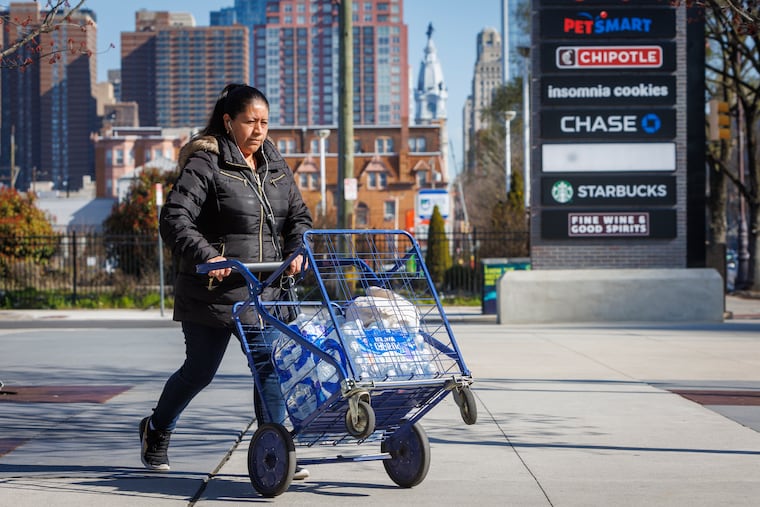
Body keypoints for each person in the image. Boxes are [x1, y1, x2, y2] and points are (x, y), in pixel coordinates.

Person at [139, 84, 313, 479]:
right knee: (200, 371)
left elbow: (298, 217)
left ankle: (278, 447)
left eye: (265, 122)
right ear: (228, 121)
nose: (259, 130)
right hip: (212, 291)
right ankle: (156, 429)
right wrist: (208, 255)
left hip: (263, 287)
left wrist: (297, 249)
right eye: (250, 121)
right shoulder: (207, 162)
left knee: (268, 366)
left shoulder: (274, 163)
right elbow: (174, 218)